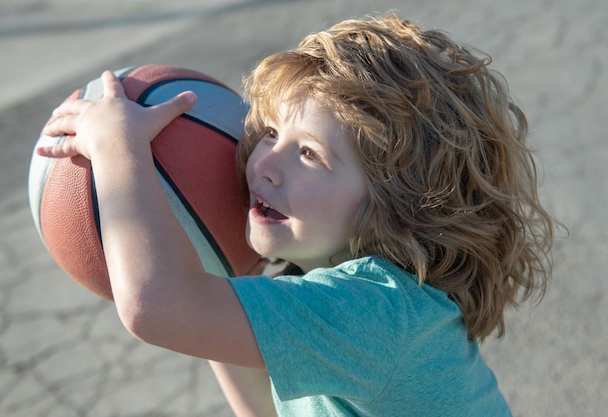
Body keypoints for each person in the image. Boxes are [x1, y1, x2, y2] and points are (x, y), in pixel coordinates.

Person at [38, 11, 555, 417]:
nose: (264, 164)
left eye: (309, 153)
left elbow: (156, 308)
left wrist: (117, 149)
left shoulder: (373, 312)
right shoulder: (365, 303)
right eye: (269, 133)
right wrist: (211, 264)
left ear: (394, 206)